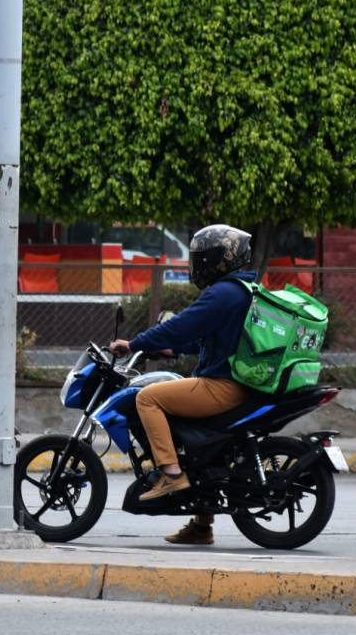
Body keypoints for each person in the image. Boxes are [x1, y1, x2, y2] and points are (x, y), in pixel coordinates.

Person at [109, 224, 255, 546]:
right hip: (234, 384)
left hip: (221, 386)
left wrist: (134, 344)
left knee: (147, 398)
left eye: (202, 258)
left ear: (220, 259)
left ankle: (171, 475)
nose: (197, 264)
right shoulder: (241, 290)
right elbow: (209, 338)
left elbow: (180, 326)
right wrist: (171, 350)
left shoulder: (223, 292)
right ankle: (202, 526)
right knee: (198, 450)